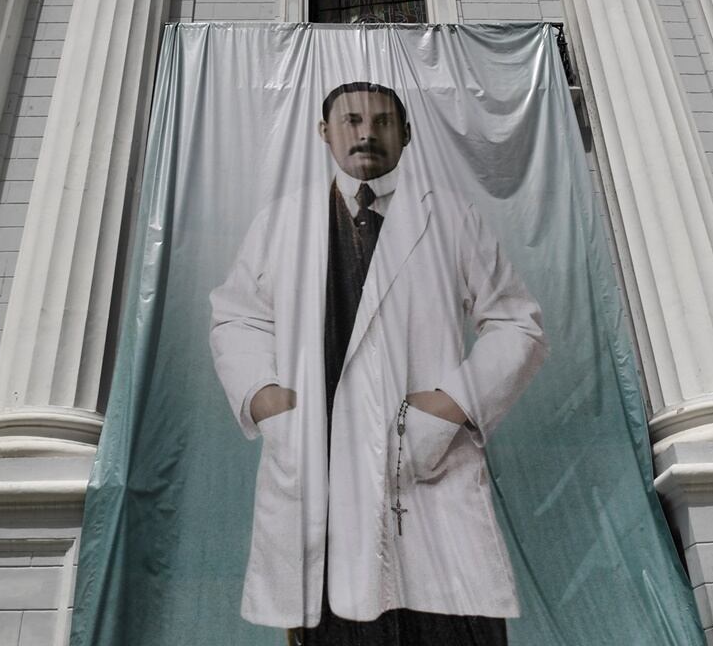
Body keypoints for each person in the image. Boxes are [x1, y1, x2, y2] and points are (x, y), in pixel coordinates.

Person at [209, 82, 547, 645]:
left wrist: (453, 405)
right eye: (352, 120)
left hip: (423, 469)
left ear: (407, 134)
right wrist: (266, 400)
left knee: (449, 623)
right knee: (333, 620)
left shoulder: (449, 218)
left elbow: (517, 323)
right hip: (320, 471)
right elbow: (236, 317)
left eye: (384, 121)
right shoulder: (281, 222)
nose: (367, 133)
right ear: (325, 133)